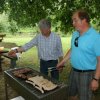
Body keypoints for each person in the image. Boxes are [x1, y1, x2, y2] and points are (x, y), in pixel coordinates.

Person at [57, 10, 100, 100]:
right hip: (73, 71)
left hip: (87, 74)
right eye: (73, 20)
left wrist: (96, 79)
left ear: (84, 20)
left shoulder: (95, 37)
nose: (73, 23)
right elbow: (73, 49)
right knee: (71, 95)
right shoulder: (75, 34)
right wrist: (62, 62)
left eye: (75, 20)